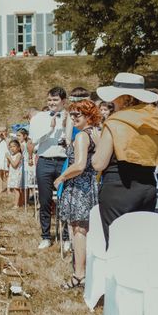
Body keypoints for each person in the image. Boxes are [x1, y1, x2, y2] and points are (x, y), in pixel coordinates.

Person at [92, 73, 158, 247]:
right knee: (140, 244)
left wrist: (98, 145)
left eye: (115, 97)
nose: (112, 102)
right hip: (147, 188)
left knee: (117, 244)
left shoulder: (115, 122)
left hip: (119, 188)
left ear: (125, 99)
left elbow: (99, 163)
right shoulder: (153, 121)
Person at [54, 99, 101, 289]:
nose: (73, 118)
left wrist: (62, 177)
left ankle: (79, 275)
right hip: (92, 184)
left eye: (77, 115)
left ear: (89, 116)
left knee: (79, 230)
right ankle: (88, 272)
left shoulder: (82, 136)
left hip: (79, 187)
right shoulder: (97, 133)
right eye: (71, 114)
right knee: (88, 230)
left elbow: (80, 165)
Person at [29, 86, 68, 249]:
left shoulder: (69, 116)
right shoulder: (39, 118)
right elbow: (34, 140)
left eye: (55, 100)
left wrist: (66, 126)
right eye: (49, 100)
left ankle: (66, 236)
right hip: (44, 161)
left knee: (65, 200)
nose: (52, 103)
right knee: (45, 201)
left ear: (63, 101)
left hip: (64, 162)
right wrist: (50, 129)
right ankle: (46, 236)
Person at [6, 139, 24, 208]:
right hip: (12, 174)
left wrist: (9, 157)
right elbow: (9, 165)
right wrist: (8, 159)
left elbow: (15, 165)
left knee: (17, 189)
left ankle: (16, 205)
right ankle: (20, 203)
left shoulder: (19, 155)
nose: (12, 148)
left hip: (17, 174)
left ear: (18, 148)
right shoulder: (12, 155)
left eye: (14, 146)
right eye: (10, 147)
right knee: (15, 189)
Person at [0, 126, 9, 193]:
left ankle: (8, 188)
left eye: (3, 131)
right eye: (0, 131)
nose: (2, 133)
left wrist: (5, 137)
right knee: (0, 173)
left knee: (7, 173)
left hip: (6, 157)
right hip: (0, 156)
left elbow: (9, 145)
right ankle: (1, 188)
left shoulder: (8, 138)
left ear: (6, 132)